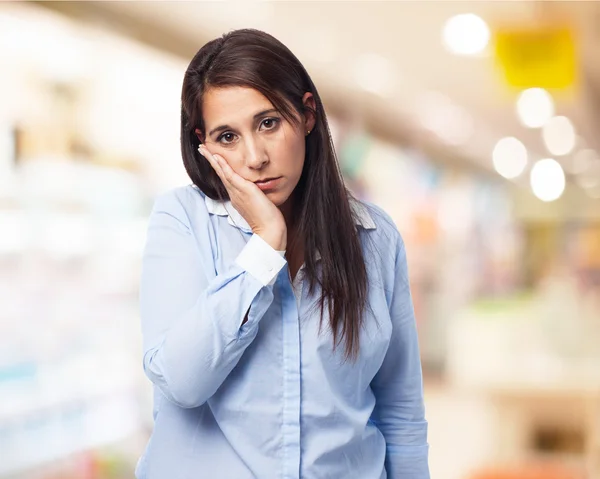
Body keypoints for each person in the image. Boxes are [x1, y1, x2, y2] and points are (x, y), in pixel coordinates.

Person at [137, 28, 430, 479]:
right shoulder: (183, 220)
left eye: (268, 123)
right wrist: (264, 247)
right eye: (227, 137)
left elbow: (401, 412)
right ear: (204, 145)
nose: (254, 157)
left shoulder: (375, 238)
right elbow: (181, 382)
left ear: (307, 113)